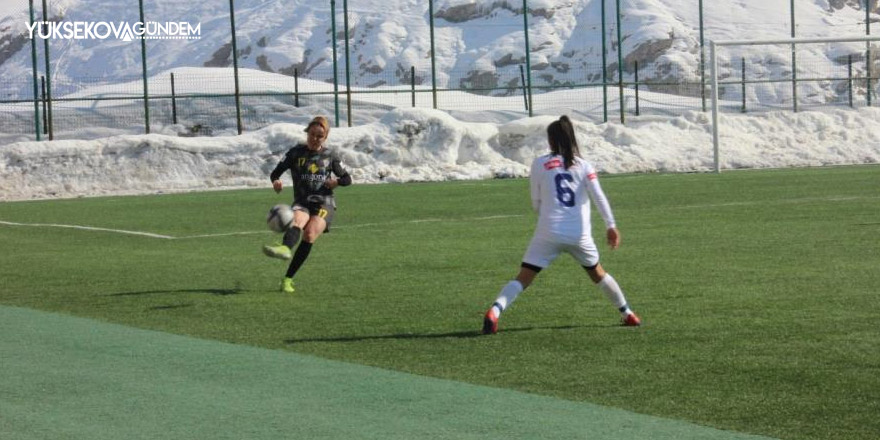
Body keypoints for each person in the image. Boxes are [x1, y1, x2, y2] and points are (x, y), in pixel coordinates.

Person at [482, 115, 641, 334]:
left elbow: (535, 202)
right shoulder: (584, 166)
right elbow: (599, 197)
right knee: (598, 273)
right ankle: (628, 314)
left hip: (548, 230)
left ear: (551, 140)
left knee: (524, 277)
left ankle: (495, 312)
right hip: (579, 234)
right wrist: (610, 225)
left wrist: (548, 217)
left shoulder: (539, 164)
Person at [263, 116, 352, 293]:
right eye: (312, 134)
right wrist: (276, 182)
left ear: (325, 138)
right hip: (302, 201)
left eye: (319, 136)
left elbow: (347, 179)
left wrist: (337, 182)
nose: (314, 138)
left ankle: (287, 279)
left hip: (324, 203)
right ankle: (285, 248)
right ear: (307, 133)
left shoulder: (331, 156)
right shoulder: (295, 152)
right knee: (297, 220)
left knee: (310, 234)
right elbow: (275, 173)